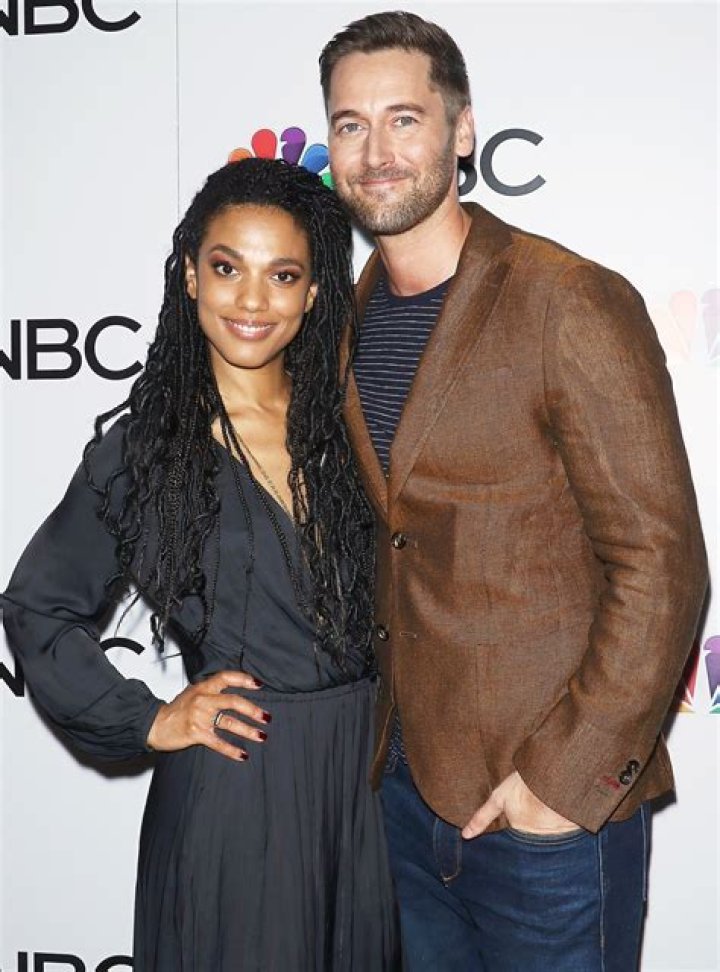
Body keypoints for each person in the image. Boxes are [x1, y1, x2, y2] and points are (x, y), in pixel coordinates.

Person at [319, 11, 708, 971]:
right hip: (400, 802)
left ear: (462, 131)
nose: (376, 152)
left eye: (405, 119)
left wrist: (563, 783)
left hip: (548, 823)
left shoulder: (566, 299)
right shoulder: (342, 321)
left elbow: (661, 562)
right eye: (350, 124)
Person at [2, 158, 398, 971]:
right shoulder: (150, 450)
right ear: (189, 275)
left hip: (371, 788)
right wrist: (150, 718)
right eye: (226, 268)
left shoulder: (353, 425)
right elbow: (38, 605)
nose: (252, 301)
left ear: (313, 293)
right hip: (241, 786)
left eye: (282, 275)